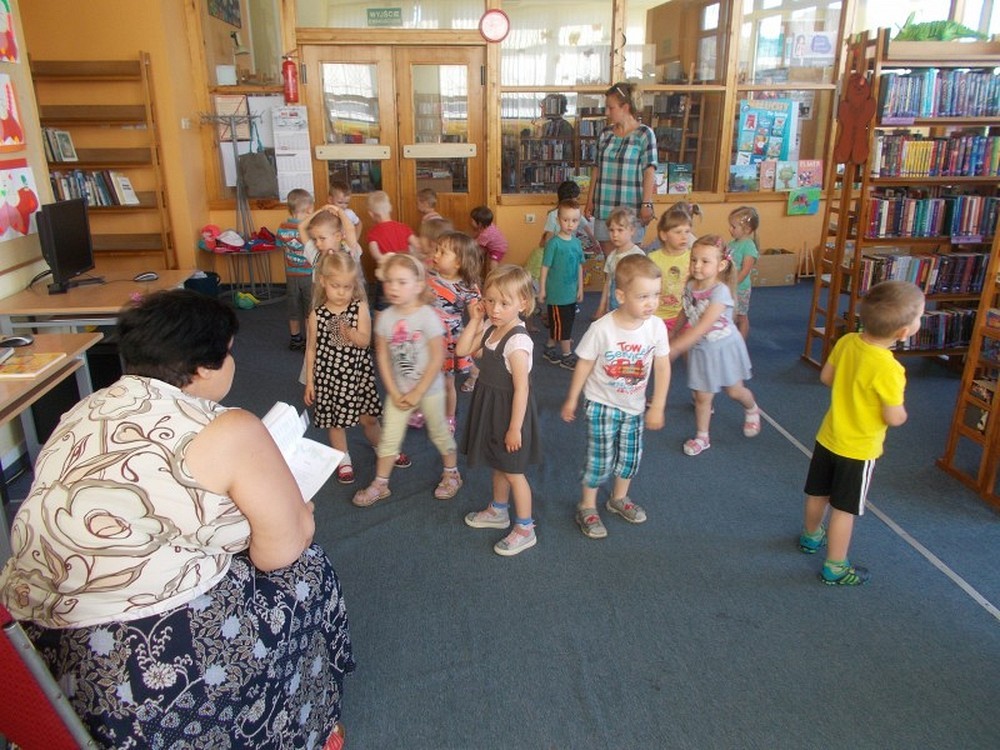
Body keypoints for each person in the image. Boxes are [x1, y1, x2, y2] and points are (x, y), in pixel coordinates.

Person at [0, 290, 354, 749]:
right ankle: (300, 719)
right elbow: (278, 553)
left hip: (30, 647)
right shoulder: (229, 428)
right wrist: (300, 514)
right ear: (203, 368)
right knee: (307, 570)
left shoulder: (84, 407)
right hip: (141, 665)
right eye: (228, 353)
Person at [799, 280, 924, 586]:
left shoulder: (847, 341)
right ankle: (835, 566)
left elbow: (827, 377)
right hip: (858, 450)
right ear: (903, 332)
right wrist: (901, 414)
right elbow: (893, 416)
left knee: (818, 492)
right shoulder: (890, 369)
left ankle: (811, 536)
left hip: (829, 436)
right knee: (844, 508)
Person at [561, 255, 670, 539]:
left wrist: (658, 404)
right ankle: (587, 505)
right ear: (621, 296)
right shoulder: (602, 329)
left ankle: (618, 498)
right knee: (600, 458)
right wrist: (572, 398)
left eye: (656, 295)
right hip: (602, 404)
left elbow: (662, 365)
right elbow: (584, 363)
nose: (651, 303)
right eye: (643, 296)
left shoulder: (656, 327)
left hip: (634, 407)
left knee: (630, 457)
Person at [352, 253, 463, 506]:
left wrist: (417, 392)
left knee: (439, 433)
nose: (393, 287)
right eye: (389, 281)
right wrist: (393, 391)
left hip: (430, 391)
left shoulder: (427, 316)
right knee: (389, 438)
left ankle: (452, 473)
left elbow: (437, 358)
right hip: (399, 392)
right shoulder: (385, 318)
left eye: (402, 282)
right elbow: (382, 357)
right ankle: (380, 483)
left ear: (418, 285)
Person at [304, 251, 411, 484]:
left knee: (369, 419)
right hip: (329, 377)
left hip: (357, 375)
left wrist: (350, 333)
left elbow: (364, 341)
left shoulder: (359, 308)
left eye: (347, 286)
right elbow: (311, 349)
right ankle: (343, 458)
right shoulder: (317, 315)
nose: (341, 292)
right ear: (323, 281)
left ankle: (383, 447)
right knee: (335, 422)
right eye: (336, 286)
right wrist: (310, 381)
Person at [457, 265, 541, 556]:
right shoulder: (491, 328)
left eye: (505, 303)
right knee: (498, 463)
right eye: (490, 300)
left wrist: (515, 427)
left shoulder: (517, 342)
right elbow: (462, 350)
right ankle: (499, 510)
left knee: (514, 471)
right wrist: (475, 319)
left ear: (523, 304)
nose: (495, 309)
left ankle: (525, 527)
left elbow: (522, 389)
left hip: (510, 411)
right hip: (490, 405)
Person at [668, 234, 761, 456]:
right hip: (702, 349)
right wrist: (673, 331)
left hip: (723, 348)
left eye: (705, 261)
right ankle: (702, 436)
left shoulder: (720, 292)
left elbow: (702, 326)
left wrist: (677, 347)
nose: (697, 265)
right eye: (694, 259)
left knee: (734, 391)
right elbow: (686, 310)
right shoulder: (690, 285)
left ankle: (752, 408)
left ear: (721, 265)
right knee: (703, 397)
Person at [584, 81, 658, 255]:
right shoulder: (605, 134)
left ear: (625, 107)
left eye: (611, 108)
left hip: (631, 210)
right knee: (610, 261)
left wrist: (646, 203)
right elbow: (596, 168)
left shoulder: (644, 134)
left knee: (629, 263)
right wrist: (590, 200)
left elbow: (649, 171)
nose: (607, 112)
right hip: (604, 207)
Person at [427, 230, 482, 433]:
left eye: (442, 252)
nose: (436, 255)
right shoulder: (428, 276)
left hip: (449, 341)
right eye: (437, 250)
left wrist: (475, 342)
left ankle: (449, 417)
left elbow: (477, 318)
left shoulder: (468, 287)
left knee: (447, 383)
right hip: (426, 337)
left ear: (458, 262)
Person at [539, 198, 585, 370]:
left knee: (563, 322)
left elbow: (579, 266)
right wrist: (542, 289)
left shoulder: (577, 243)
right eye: (566, 220)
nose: (570, 224)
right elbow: (545, 267)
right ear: (558, 220)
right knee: (562, 325)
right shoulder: (554, 243)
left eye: (574, 220)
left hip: (571, 292)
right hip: (557, 294)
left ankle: (549, 347)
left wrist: (581, 288)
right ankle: (567, 355)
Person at [277, 187, 315, 350]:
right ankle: (310, 341)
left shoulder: (282, 226)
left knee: (293, 309)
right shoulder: (309, 229)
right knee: (309, 310)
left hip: (291, 274)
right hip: (308, 274)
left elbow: (280, 244)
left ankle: (295, 339)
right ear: (309, 209)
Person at [648, 205, 695, 332]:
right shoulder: (652, 258)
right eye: (678, 232)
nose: (684, 237)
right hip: (657, 315)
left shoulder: (693, 258)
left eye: (687, 231)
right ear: (664, 235)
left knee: (684, 343)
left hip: (685, 316)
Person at [594, 206, 646, 319]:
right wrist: (601, 307)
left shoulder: (638, 255)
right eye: (611, 230)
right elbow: (608, 283)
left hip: (632, 310)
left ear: (632, 230)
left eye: (620, 230)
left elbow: (643, 285)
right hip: (613, 307)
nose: (615, 235)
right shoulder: (611, 256)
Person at [367, 190, 414, 310]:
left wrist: (387, 259)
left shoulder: (373, 233)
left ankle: (381, 321)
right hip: (404, 273)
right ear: (390, 208)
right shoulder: (403, 228)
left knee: (381, 306)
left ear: (371, 214)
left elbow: (376, 254)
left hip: (386, 275)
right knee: (405, 301)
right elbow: (417, 245)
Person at [727, 205, 760, 339]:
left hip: (740, 288)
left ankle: (741, 342)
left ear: (747, 229)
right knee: (730, 314)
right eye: (730, 226)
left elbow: (745, 270)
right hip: (730, 285)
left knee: (741, 316)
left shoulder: (748, 246)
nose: (730, 229)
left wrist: (734, 284)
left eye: (733, 227)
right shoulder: (732, 244)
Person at [540, 179, 597, 253]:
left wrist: (595, 243)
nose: (577, 201)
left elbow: (587, 229)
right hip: (558, 249)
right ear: (570, 200)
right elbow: (549, 235)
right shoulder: (553, 214)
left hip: (570, 248)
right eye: (576, 199)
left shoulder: (576, 213)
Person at [298, 203, 363, 265]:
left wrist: (338, 210)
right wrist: (321, 210)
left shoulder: (348, 252)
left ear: (338, 236)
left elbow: (350, 229)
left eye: (322, 238)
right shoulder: (315, 255)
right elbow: (301, 227)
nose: (317, 244)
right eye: (314, 239)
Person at [470, 205, 508, 280]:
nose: (470, 222)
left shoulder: (486, 234)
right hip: (489, 244)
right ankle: (475, 270)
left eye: (472, 221)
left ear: (480, 223)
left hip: (498, 249)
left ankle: (494, 279)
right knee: (477, 254)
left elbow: (475, 244)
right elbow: (477, 236)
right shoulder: (486, 225)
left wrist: (465, 242)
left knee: (493, 265)